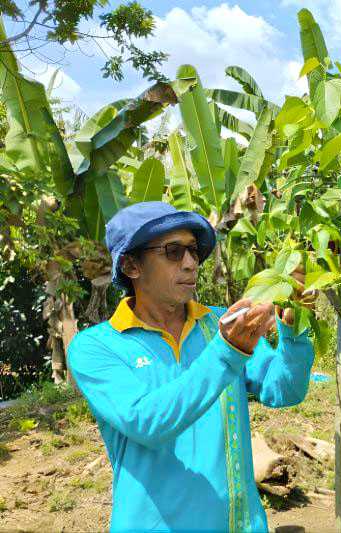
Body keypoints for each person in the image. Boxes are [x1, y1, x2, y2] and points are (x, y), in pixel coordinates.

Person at [66, 201, 317, 531]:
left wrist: (294, 327)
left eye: (194, 251)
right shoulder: (97, 347)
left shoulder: (219, 323)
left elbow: (283, 390)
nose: (190, 263)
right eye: (173, 251)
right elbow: (146, 422)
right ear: (131, 266)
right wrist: (227, 352)